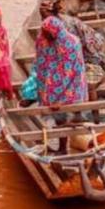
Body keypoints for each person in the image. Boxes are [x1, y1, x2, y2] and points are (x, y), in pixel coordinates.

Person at [33, 15, 87, 152]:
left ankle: (68, 139)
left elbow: (72, 74)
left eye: (47, 34)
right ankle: (63, 146)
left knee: (62, 112)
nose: (44, 36)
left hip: (70, 83)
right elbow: (41, 65)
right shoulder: (43, 40)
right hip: (53, 81)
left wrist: (60, 101)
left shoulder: (71, 44)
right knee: (58, 116)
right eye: (44, 33)